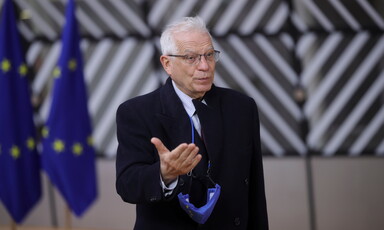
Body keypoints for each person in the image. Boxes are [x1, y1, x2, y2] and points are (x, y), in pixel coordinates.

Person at [116, 16, 269, 230]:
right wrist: (163, 173)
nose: (204, 66)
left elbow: (254, 190)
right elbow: (127, 185)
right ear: (167, 63)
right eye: (191, 58)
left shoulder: (242, 107)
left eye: (209, 55)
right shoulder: (136, 112)